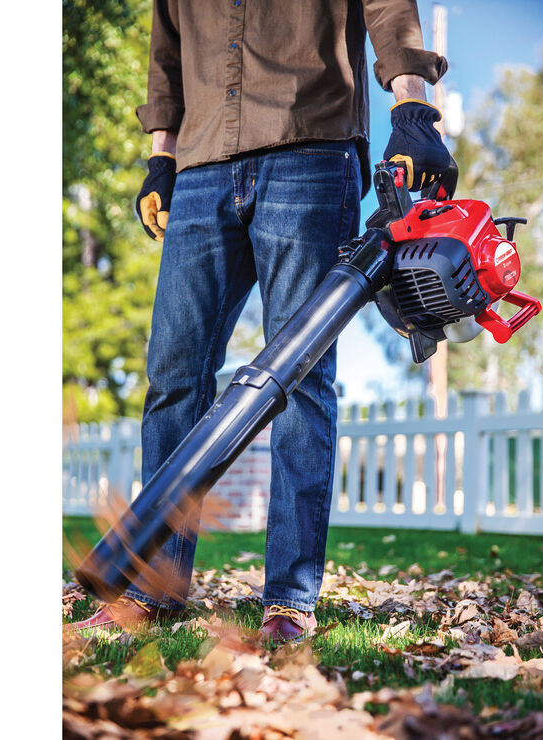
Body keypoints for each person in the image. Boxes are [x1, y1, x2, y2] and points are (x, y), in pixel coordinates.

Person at [74, 0, 455, 641]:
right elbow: (166, 51)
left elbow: (389, 6)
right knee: (174, 375)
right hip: (200, 165)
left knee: (302, 378)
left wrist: (411, 105)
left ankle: (289, 597)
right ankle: (153, 586)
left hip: (309, 146)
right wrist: (160, 159)